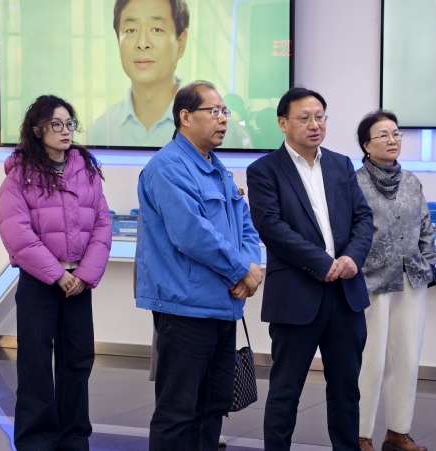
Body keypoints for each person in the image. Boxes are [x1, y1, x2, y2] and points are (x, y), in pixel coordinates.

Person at [135, 80, 262, 450]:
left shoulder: (217, 168)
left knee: (213, 407)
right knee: (178, 411)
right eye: (214, 111)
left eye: (225, 112)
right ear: (186, 117)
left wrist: (251, 268)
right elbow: (191, 234)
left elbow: (245, 225)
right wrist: (242, 270)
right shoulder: (167, 167)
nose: (223, 119)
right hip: (185, 307)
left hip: (222, 305)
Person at [246, 86, 374, 451]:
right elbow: (271, 227)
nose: (314, 124)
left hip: (346, 294)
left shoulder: (341, 164)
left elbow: (363, 218)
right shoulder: (264, 170)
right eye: (304, 118)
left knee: (346, 389)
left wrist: (351, 259)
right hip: (296, 296)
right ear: (282, 123)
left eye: (320, 117)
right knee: (286, 390)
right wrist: (323, 263)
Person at [0, 95, 112, 450]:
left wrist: (84, 275)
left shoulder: (87, 170)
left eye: (69, 123)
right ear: (37, 130)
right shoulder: (18, 175)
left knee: (78, 362)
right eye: (56, 124)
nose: (66, 131)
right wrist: (56, 274)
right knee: (34, 364)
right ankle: (36, 441)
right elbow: (17, 234)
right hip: (39, 283)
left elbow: (102, 226)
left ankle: (74, 439)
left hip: (78, 283)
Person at [355, 110, 436, 451]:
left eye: (396, 133)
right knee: (370, 361)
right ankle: (360, 434)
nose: (393, 140)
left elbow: (426, 226)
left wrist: (428, 264)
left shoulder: (412, 181)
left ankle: (398, 431)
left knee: (406, 357)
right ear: (366, 144)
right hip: (371, 280)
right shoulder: (354, 183)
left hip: (411, 279)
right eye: (384, 135)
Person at [89, 0, 189, 147]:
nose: (142, 44)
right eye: (131, 30)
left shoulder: (216, 127)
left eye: (156, 29)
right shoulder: (101, 130)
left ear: (181, 42)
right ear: (118, 39)